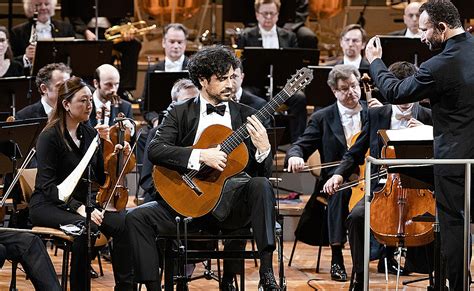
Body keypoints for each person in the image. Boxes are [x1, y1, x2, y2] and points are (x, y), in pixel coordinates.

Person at [126, 45, 280, 291]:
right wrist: (200, 156)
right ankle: (153, 287)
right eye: (222, 79)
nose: (230, 84)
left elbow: (262, 175)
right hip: (187, 204)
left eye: (232, 77)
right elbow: (156, 150)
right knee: (135, 218)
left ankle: (267, 272)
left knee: (260, 185)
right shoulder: (179, 112)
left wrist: (264, 151)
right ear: (202, 80)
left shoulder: (249, 116)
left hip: (231, 211)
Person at [364, 0, 473, 289]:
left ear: (442, 27)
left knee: (454, 228)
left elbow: (394, 92)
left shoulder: (440, 64)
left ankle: (458, 285)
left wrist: (375, 61)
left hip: (454, 163)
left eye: (425, 30)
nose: (421, 37)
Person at [323, 61, 433, 290]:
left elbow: (442, 156)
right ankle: (360, 278)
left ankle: (436, 277)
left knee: (441, 221)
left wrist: (426, 134)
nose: (404, 100)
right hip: (382, 190)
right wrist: (338, 175)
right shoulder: (376, 115)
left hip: (421, 188)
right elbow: (354, 152)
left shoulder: (429, 116)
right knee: (356, 217)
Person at [28, 76, 134, 291]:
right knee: (85, 230)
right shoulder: (49, 137)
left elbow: (99, 178)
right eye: (83, 101)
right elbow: (47, 186)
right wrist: (79, 208)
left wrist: (115, 157)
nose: (89, 106)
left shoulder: (88, 133)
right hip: (48, 205)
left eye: (89, 100)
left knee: (126, 223)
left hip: (82, 203)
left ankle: (126, 287)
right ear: (66, 104)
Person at [285, 64, 367, 282]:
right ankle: (337, 258)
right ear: (334, 91)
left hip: (369, 178)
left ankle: (388, 254)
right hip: (336, 181)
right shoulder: (322, 117)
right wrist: (295, 156)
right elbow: (301, 145)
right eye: (344, 88)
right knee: (338, 192)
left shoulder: (373, 111)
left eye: (354, 86)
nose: (351, 92)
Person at [237, 0, 307, 142]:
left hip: (281, 86)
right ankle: (251, 142)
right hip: (255, 86)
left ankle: (297, 145)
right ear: (257, 15)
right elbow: (240, 65)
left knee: (299, 98)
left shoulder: (290, 36)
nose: (268, 17)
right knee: (246, 97)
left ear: (277, 15)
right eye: (264, 13)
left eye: (272, 13)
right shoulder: (246, 35)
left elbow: (294, 66)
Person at [60, 0, 142, 103]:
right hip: (84, 30)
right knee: (80, 45)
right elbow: (72, 14)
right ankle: (83, 86)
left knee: (133, 44)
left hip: (110, 30)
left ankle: (124, 89)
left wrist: (124, 29)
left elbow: (123, 15)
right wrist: (85, 31)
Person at [140, 78, 199, 203]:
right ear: (173, 104)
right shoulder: (156, 133)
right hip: (162, 198)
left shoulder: (205, 131)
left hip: (196, 197)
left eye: (195, 102)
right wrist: (173, 194)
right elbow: (146, 179)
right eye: (186, 102)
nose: (191, 108)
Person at [141, 23, 190, 127]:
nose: (176, 46)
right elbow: (146, 107)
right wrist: (155, 120)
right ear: (163, 42)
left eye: (180, 42)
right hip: (160, 122)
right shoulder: (153, 70)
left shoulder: (193, 68)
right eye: (172, 42)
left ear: (185, 44)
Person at [10, 0, 75, 69]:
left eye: (46, 4)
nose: (43, 8)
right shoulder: (17, 32)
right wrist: (26, 57)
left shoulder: (66, 28)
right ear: (29, 7)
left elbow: (74, 55)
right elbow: (12, 61)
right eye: (38, 5)